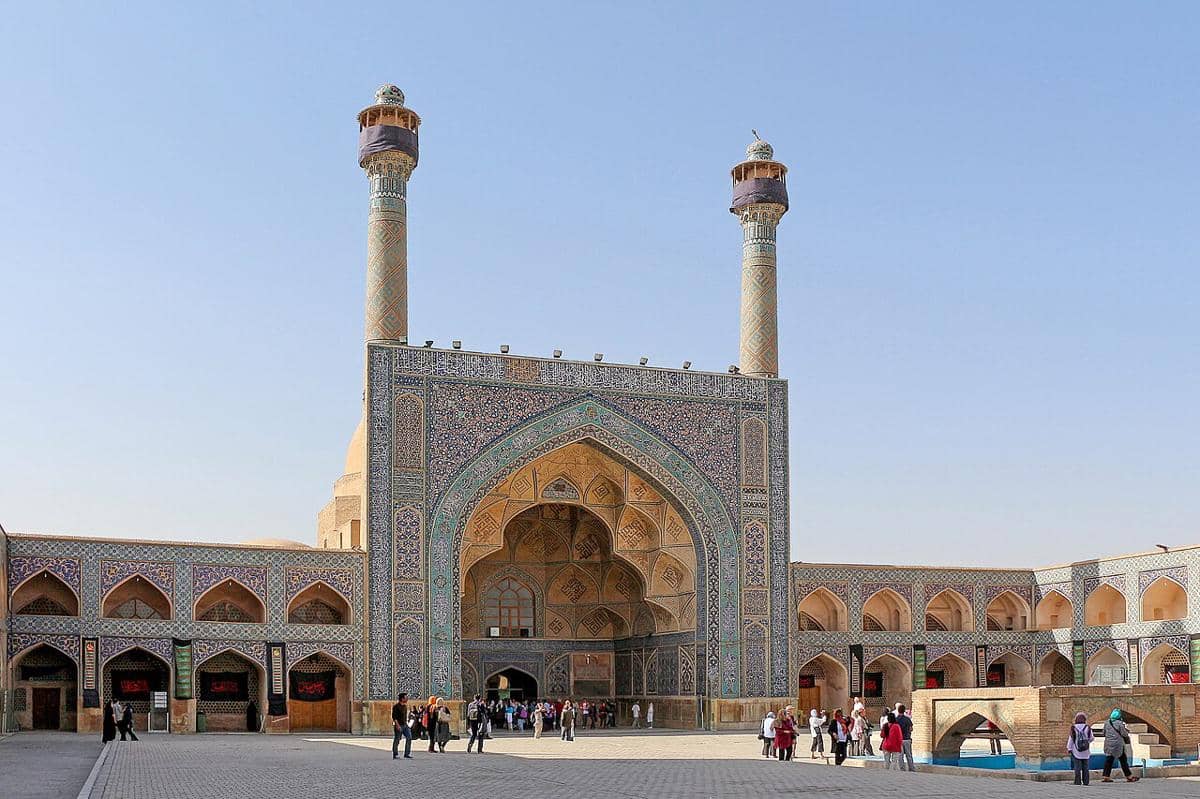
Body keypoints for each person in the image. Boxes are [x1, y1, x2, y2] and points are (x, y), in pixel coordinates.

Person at [1101, 709, 1139, 783]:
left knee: (1109, 760)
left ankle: (1106, 776)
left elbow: (1104, 732)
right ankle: (1129, 776)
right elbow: (1124, 734)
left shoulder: (1107, 723)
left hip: (1108, 744)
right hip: (1118, 745)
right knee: (1123, 760)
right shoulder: (1119, 723)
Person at [1068, 712, 1094, 785]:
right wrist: (1086, 742)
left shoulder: (1073, 728)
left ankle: (1077, 781)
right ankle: (1086, 781)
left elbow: (1071, 739)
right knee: (1085, 767)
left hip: (1076, 750)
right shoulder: (1087, 728)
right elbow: (1091, 738)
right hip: (1086, 751)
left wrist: (1069, 748)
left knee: (1077, 767)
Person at [894, 704, 915, 771]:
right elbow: (911, 729)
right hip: (907, 739)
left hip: (899, 740)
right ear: (904, 711)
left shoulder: (896, 720)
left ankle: (902, 768)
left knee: (900, 755)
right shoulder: (907, 719)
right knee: (909, 755)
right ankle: (911, 768)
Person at [392, 692, 413, 759]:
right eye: (405, 697)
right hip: (399, 725)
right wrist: (397, 725)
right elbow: (394, 717)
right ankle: (395, 754)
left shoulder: (405, 706)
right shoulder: (396, 707)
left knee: (409, 737)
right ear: (402, 698)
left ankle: (407, 754)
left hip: (405, 725)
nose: (407, 699)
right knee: (397, 739)